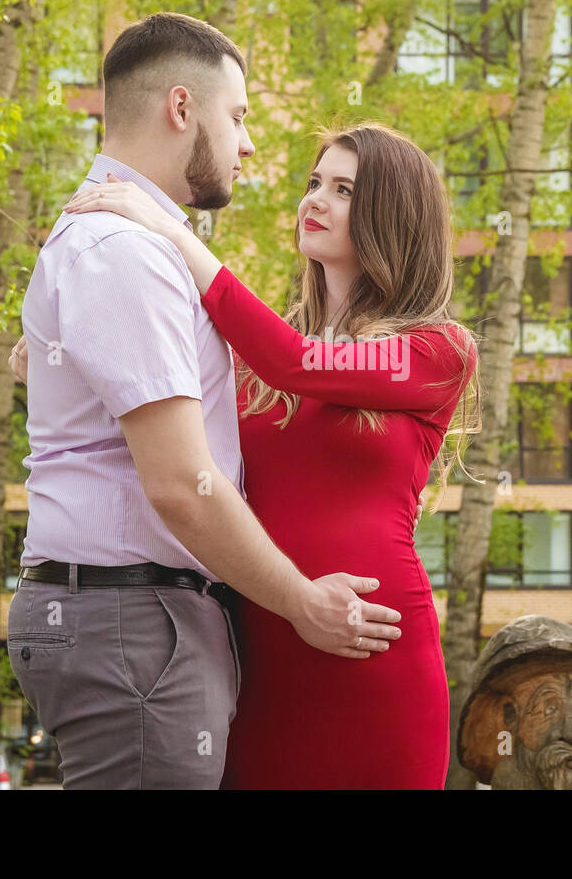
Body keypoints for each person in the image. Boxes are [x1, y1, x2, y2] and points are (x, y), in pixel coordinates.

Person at [8, 12, 404, 790]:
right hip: (135, 620)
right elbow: (179, 487)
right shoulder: (123, 249)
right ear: (181, 109)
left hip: (137, 619)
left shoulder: (125, 242)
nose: (249, 144)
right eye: (239, 116)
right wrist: (301, 601)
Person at [57, 121, 479, 788]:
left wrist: (173, 232)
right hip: (259, 649)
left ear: (390, 216)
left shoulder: (439, 350)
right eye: (315, 183)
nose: (316, 200)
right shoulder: (252, 363)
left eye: (343, 190)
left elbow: (296, 361)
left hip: (373, 652)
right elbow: (157, 410)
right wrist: (62, 358)